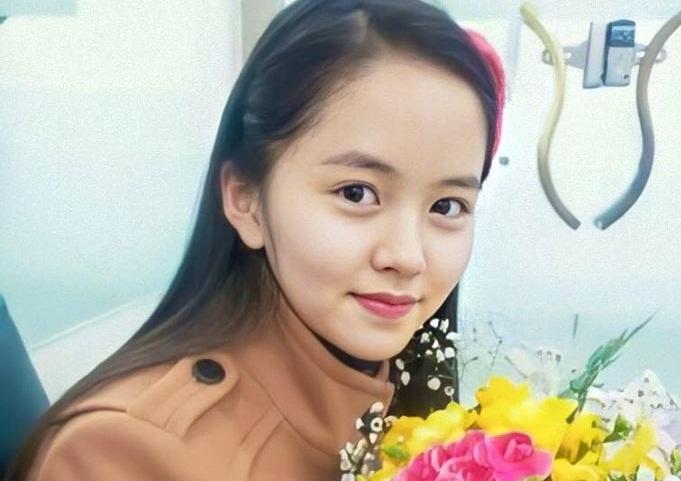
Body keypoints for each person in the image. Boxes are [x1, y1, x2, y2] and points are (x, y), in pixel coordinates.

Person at [4, 0, 505, 480]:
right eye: (357, 193)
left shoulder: (431, 423)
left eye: (447, 206)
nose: (408, 257)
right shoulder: (127, 453)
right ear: (245, 199)